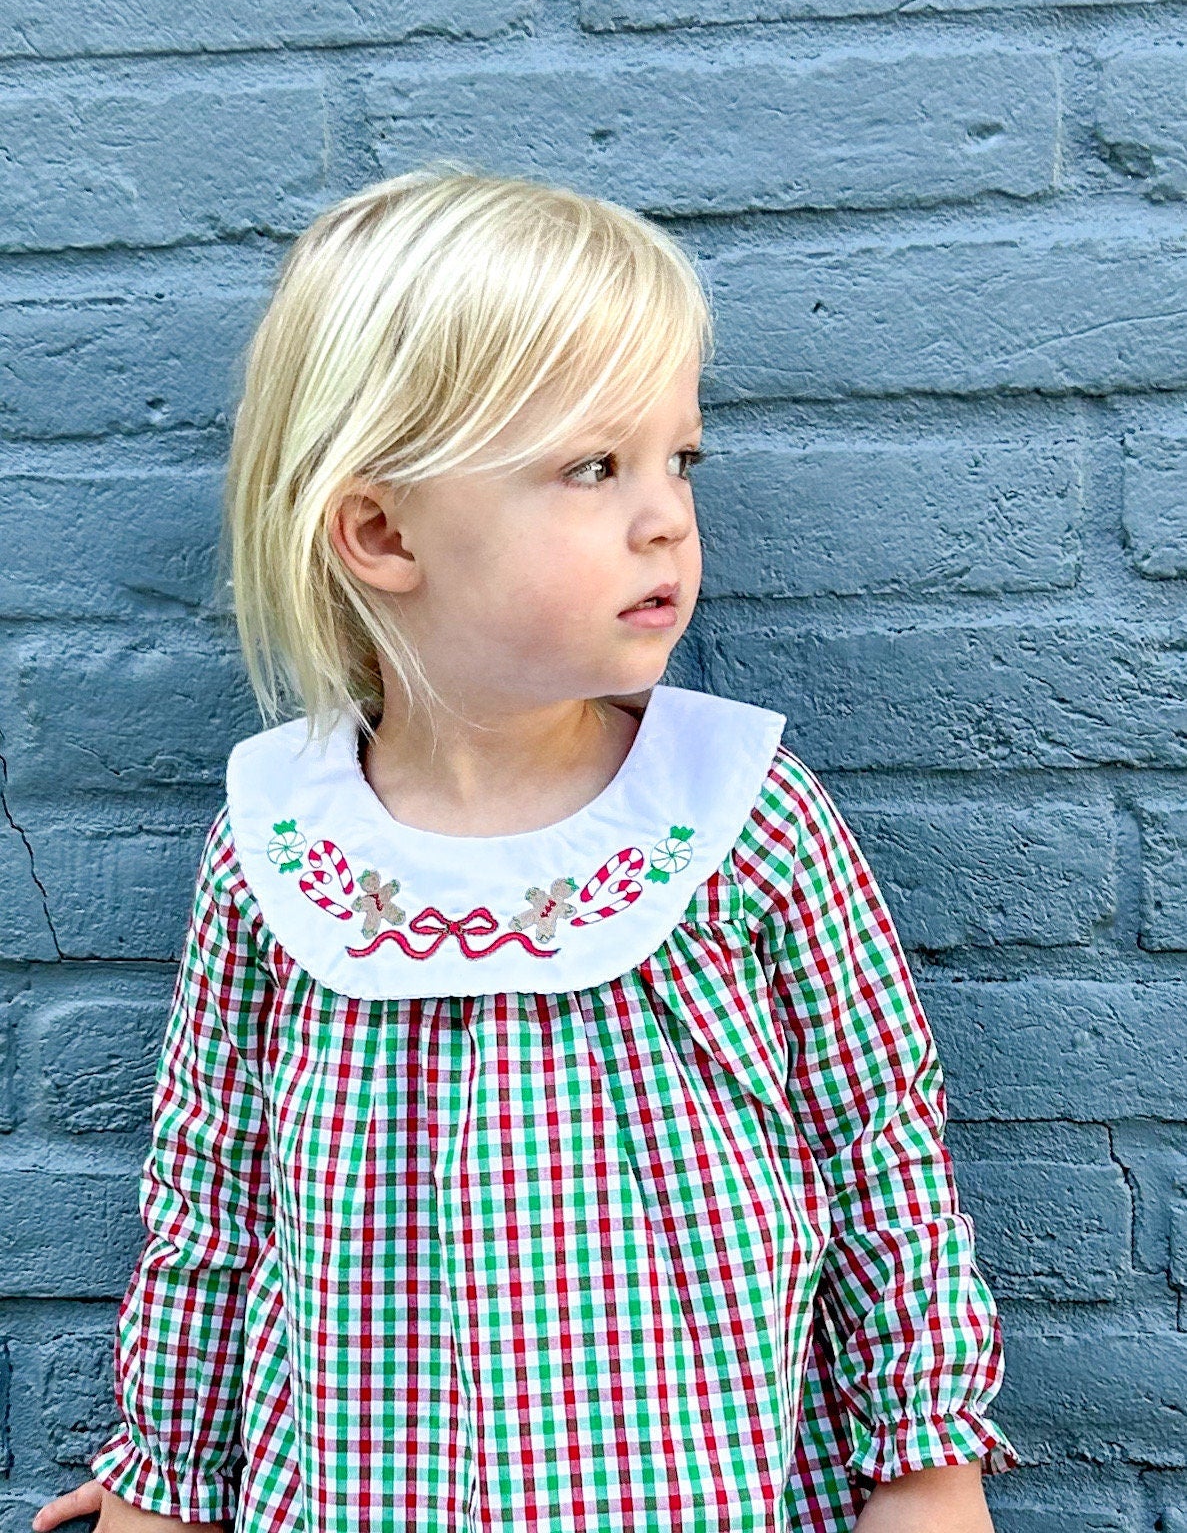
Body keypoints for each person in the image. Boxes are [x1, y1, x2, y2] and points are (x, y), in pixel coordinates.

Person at [32, 166, 1018, 1533]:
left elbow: (882, 1166)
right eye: (593, 467)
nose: (665, 515)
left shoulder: (736, 816)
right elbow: (212, 1210)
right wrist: (170, 1482)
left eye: (679, 459)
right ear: (382, 531)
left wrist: (925, 1470)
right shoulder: (281, 849)